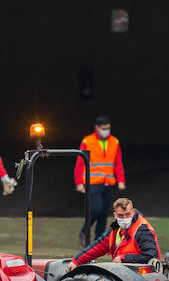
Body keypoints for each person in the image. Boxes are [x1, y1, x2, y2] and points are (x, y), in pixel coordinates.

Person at [73, 114, 126, 245]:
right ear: (96, 128)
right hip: (93, 183)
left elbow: (117, 162)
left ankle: (98, 241)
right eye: (104, 128)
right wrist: (79, 182)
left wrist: (121, 180)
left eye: (108, 128)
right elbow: (80, 162)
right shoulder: (87, 141)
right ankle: (85, 230)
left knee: (103, 213)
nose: (106, 131)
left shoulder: (115, 141)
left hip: (108, 182)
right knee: (96, 209)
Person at [68, 197, 159, 270]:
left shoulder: (142, 230)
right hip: (124, 272)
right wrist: (77, 261)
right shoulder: (115, 229)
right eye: (120, 215)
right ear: (115, 215)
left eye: (128, 214)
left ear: (133, 212)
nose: (124, 218)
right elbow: (97, 246)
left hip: (143, 275)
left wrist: (123, 258)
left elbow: (151, 256)